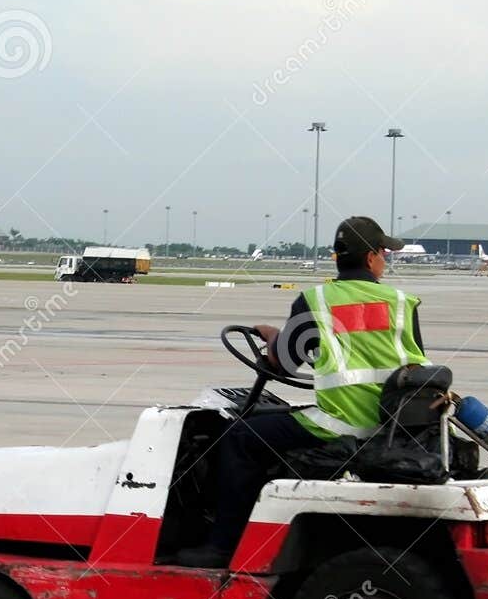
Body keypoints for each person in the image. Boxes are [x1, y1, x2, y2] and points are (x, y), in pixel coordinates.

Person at [176, 215, 428, 568]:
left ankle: (222, 546)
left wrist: (272, 336)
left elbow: (283, 364)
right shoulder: (402, 304)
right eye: (385, 253)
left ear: (339, 257)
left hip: (342, 423)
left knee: (240, 438)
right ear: (371, 258)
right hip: (394, 426)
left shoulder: (317, 301)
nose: (385, 260)